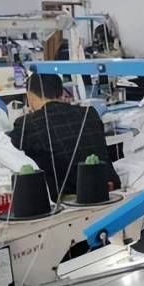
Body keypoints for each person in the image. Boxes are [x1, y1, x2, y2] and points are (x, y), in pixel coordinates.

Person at [9, 73, 120, 201]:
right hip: (107, 189)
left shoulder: (26, 124)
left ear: (29, 96)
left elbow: (11, 156)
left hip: (66, 199)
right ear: (61, 92)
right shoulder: (89, 113)